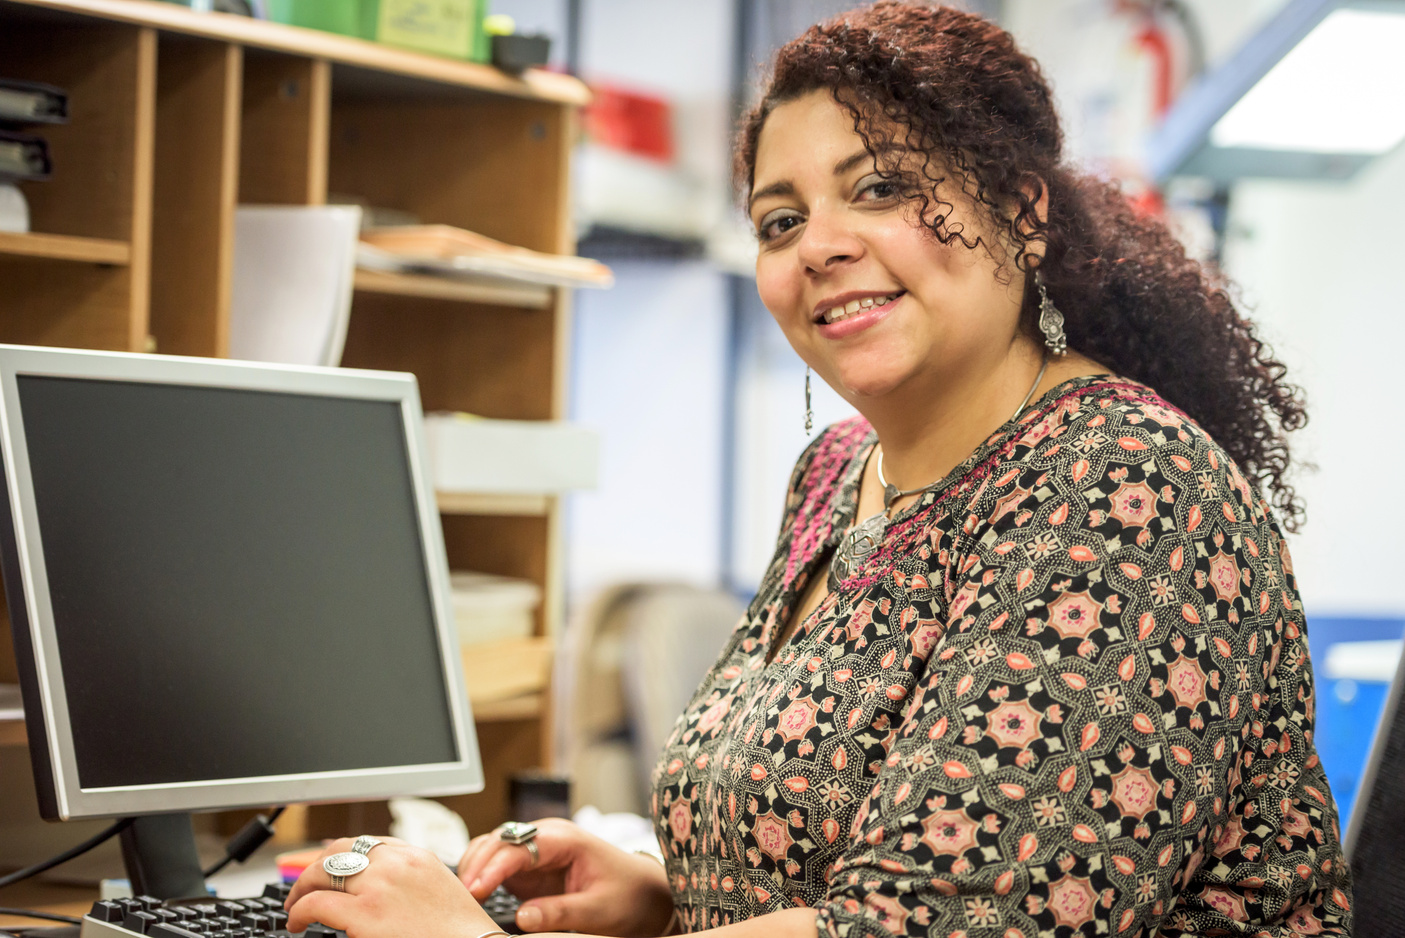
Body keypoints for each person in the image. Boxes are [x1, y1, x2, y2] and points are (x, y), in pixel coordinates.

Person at [284, 4, 1353, 936]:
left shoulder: (1124, 486)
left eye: (879, 188)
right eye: (780, 220)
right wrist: (663, 895)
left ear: (1022, 212)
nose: (819, 246)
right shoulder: (840, 470)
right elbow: (834, 856)